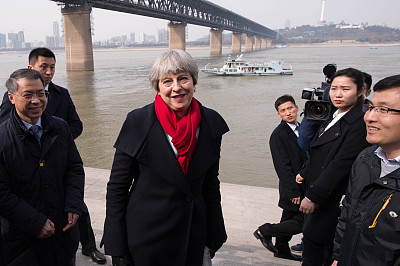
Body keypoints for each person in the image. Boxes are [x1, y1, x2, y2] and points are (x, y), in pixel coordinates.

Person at [102, 49, 229, 265]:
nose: (176, 88)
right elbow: (117, 187)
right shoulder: (138, 121)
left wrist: (215, 233)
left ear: (194, 82)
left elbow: (210, 184)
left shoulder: (211, 122)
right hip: (146, 234)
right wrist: (117, 245)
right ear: (158, 88)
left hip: (193, 232)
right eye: (167, 81)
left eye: (183, 79)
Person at [0, 47, 106, 264]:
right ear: (11, 97)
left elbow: (75, 167)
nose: (36, 101)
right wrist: (34, 222)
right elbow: (2, 194)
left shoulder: (60, 127)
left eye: (41, 94)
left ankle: (89, 246)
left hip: (62, 233)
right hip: (21, 239)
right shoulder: (3, 137)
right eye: (27, 95)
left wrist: (73, 203)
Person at [296, 68, 370, 265]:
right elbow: (312, 145)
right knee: (312, 244)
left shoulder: (359, 123)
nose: (338, 94)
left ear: (360, 90)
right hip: (318, 188)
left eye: (345, 89)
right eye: (334, 88)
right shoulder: (334, 114)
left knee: (320, 249)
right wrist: (304, 171)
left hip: (332, 198)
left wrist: (313, 196)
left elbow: (341, 164)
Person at [332, 75, 400, 265]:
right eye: (371, 108)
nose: (369, 117)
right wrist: (338, 256)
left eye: (384, 110)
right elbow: (347, 216)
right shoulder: (366, 159)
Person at [254, 95, 306, 261]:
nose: (288, 113)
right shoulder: (278, 135)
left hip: (303, 183)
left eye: (290, 108)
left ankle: (281, 250)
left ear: (297, 108)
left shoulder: (304, 129)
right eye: (283, 111)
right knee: (303, 222)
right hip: (293, 187)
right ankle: (266, 230)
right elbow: (282, 167)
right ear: (278, 115)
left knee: (288, 218)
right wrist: (293, 191)